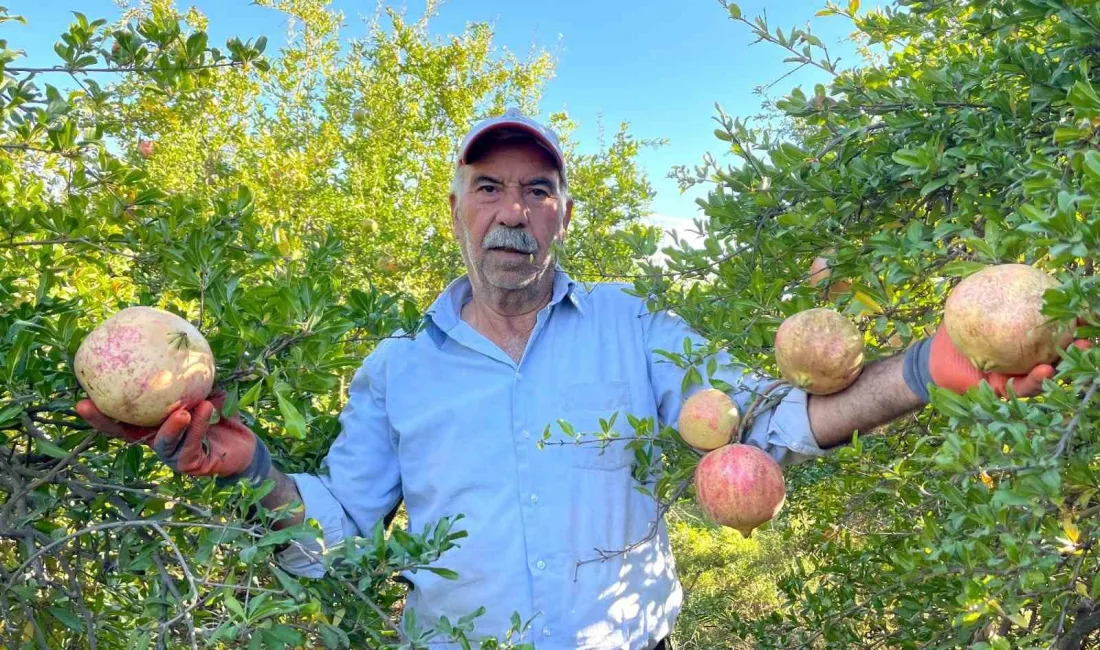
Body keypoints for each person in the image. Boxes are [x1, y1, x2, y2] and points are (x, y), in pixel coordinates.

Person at [76, 109, 1091, 650]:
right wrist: (250, 470)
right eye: (488, 187)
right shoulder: (394, 369)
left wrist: (927, 367)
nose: (510, 211)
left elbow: (768, 420)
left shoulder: (633, 328)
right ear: (456, 206)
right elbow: (335, 528)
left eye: (535, 189)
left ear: (562, 212)